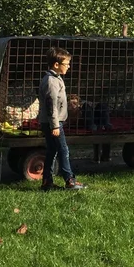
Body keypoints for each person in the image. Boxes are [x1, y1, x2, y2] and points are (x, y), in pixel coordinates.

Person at [37, 47, 86, 190]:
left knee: (52, 151)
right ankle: (69, 180)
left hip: (51, 122)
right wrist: (55, 125)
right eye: (67, 64)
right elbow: (51, 105)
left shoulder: (55, 78)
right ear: (56, 64)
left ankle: (47, 182)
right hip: (53, 123)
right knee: (63, 150)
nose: (69, 66)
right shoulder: (51, 81)